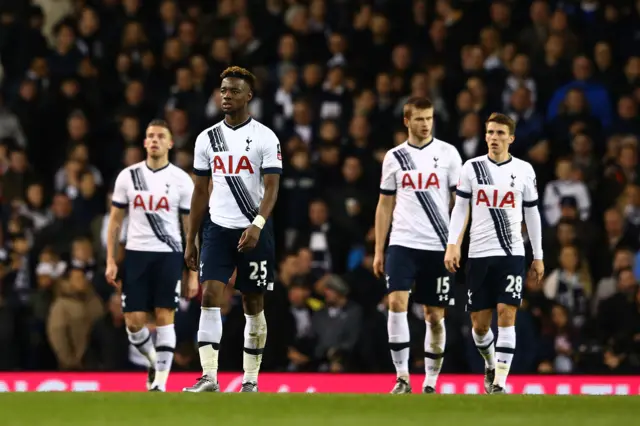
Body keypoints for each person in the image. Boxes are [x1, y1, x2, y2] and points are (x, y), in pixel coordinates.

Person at [183, 66, 282, 393]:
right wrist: (191, 239)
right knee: (209, 296)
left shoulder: (266, 137)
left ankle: (250, 380)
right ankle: (209, 376)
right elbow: (199, 192)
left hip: (254, 231)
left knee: (253, 304)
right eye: (223, 90)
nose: (227, 96)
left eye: (234, 91)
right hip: (217, 229)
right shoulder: (206, 138)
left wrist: (257, 225)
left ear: (248, 96)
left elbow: (271, 189)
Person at [444, 113, 544, 394]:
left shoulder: (524, 170)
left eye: (500, 133)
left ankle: (499, 382)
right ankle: (490, 363)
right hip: (478, 254)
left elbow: (532, 214)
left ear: (511, 138)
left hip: (512, 253)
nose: (494, 138)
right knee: (479, 325)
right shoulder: (471, 168)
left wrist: (537, 255)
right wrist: (453, 243)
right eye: (490, 132)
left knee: (507, 313)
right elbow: (460, 208)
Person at [374, 96, 462, 394]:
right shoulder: (394, 157)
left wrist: (456, 243)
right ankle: (402, 378)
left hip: (438, 245)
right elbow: (385, 205)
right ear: (406, 121)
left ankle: (431, 381)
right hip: (402, 242)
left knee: (434, 316)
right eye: (419, 119)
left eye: (429, 118)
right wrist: (378, 249)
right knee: (396, 304)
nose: (425, 124)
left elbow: (460, 204)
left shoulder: (448, 154)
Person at [105, 119, 198, 392]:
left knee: (164, 315)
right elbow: (114, 222)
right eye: (150, 136)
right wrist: (111, 259)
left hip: (168, 254)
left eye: (160, 136)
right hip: (135, 255)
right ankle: (153, 360)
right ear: (145, 142)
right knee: (133, 324)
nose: (154, 140)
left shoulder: (182, 180)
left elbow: (190, 228)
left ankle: (159, 382)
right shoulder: (128, 176)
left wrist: (192, 273)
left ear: (170, 143)